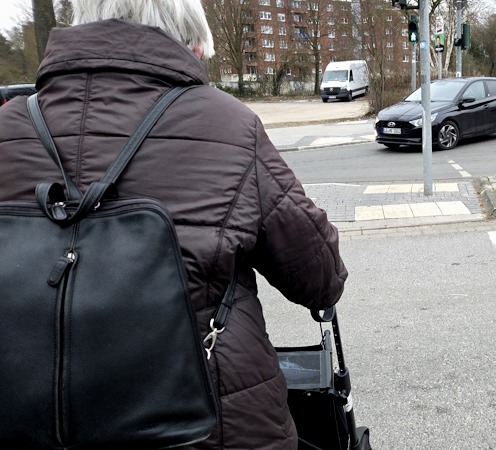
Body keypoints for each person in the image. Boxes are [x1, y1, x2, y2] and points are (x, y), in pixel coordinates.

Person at [0, 0, 348, 448]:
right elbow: (319, 279)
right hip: (211, 425)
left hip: (33, 420)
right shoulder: (229, 124)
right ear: (192, 45)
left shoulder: (7, 127)